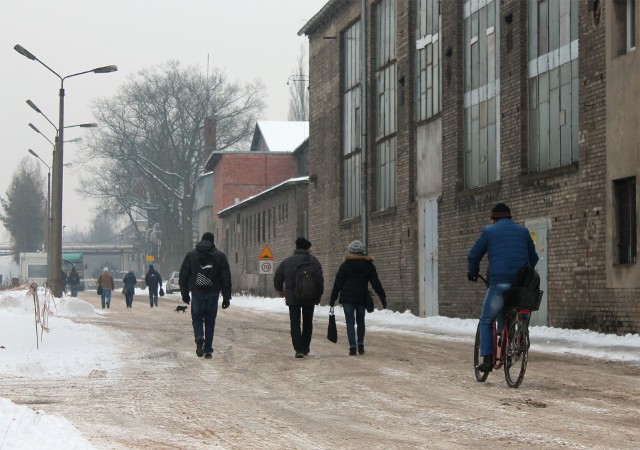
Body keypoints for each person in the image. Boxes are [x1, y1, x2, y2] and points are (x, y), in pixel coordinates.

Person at [467, 203, 539, 373]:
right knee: (520, 307)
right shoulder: (523, 232)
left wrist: (473, 272)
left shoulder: (489, 232)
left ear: (494, 219)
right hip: (521, 285)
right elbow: (533, 258)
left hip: (500, 283)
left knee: (486, 319)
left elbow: (473, 255)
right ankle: (519, 335)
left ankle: (487, 359)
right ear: (510, 217)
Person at [179, 232, 232, 360]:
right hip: (213, 293)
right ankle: (208, 350)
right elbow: (226, 278)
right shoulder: (220, 256)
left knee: (197, 319)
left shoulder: (191, 255)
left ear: (201, 240)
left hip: (197, 293)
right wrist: (226, 297)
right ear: (213, 241)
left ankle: (199, 338)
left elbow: (183, 276)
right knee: (210, 321)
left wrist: (185, 294)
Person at [329, 240, 387, 356]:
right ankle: (361, 346)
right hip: (362, 297)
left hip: (347, 298)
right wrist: (382, 297)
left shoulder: (345, 266)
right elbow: (376, 283)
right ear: (362, 251)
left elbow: (338, 283)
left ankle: (352, 347)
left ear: (350, 251)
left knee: (350, 322)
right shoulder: (368, 265)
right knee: (361, 321)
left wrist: (333, 298)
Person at [273, 237, 324, 358]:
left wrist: (280, 289)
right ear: (307, 248)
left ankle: (298, 349)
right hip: (310, 296)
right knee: (307, 322)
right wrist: (318, 293)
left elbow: (277, 277)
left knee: (295, 322)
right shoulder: (313, 261)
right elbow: (320, 279)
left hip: (293, 296)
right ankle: (305, 347)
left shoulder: (287, 262)